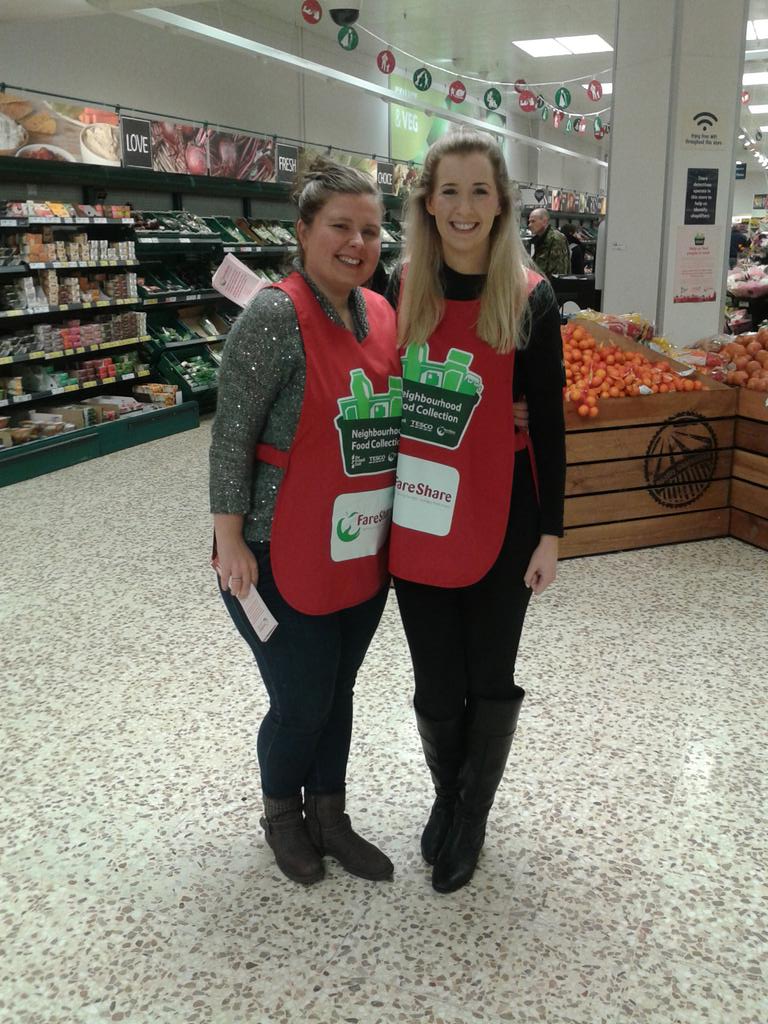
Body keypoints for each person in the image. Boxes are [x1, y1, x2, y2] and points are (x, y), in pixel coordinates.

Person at [209, 159, 401, 886]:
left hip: (357, 540)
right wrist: (229, 541)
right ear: (304, 232)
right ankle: (282, 815)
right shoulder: (272, 315)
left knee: (340, 691)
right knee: (301, 699)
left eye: (371, 230)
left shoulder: (378, 311)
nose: (357, 242)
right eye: (341, 227)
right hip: (272, 545)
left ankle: (330, 815)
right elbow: (232, 434)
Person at [387, 131, 566, 894]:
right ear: (428, 202)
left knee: (490, 675)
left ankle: (471, 814)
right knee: (435, 683)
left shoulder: (530, 297)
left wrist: (553, 532)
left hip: (506, 514)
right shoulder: (398, 288)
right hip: (419, 515)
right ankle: (445, 792)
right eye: (449, 191)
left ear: (501, 204)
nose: (464, 208)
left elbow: (550, 422)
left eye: (479, 192)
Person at [528, 207, 570, 278]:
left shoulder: (556, 239)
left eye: (533, 221)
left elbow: (559, 272)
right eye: (529, 222)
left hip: (552, 286)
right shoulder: (538, 240)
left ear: (544, 221)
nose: (529, 225)